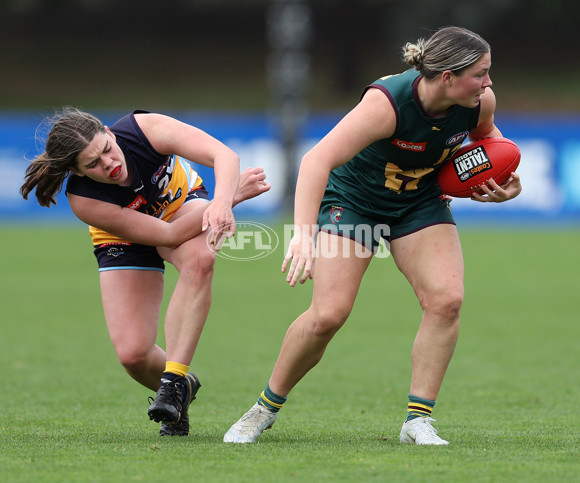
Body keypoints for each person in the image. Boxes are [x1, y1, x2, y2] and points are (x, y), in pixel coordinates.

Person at [224, 26, 522, 445]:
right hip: (355, 202)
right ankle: (263, 409)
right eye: (481, 73)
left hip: (418, 202)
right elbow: (315, 161)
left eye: (489, 73)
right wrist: (303, 236)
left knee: (446, 299)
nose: (489, 83)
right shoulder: (386, 104)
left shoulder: (478, 102)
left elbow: (492, 144)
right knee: (329, 314)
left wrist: (507, 182)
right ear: (448, 77)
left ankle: (417, 421)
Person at [20, 107, 271, 436]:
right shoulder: (85, 200)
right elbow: (168, 237)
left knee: (200, 260)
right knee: (133, 355)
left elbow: (224, 155)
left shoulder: (145, 129)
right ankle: (184, 388)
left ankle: (172, 382)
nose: (109, 164)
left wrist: (222, 201)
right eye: (93, 164)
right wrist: (235, 194)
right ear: (76, 171)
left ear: (110, 132)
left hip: (180, 204)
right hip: (126, 238)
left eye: (107, 150)